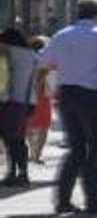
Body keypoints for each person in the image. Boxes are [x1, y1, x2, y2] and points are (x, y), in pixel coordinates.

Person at [36, 0, 97, 215]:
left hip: (67, 95)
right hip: (93, 95)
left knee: (76, 148)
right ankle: (95, 200)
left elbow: (45, 63)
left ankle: (63, 200)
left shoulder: (61, 35)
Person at [1, 29, 39, 187]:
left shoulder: (6, 52)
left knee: (9, 139)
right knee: (18, 138)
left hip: (8, 101)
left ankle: (12, 172)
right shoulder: (31, 55)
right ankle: (23, 172)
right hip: (27, 101)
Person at [26, 36, 52, 165]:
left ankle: (32, 151)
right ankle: (37, 154)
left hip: (29, 95)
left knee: (29, 124)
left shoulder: (27, 59)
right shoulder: (47, 59)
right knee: (44, 126)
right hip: (44, 96)